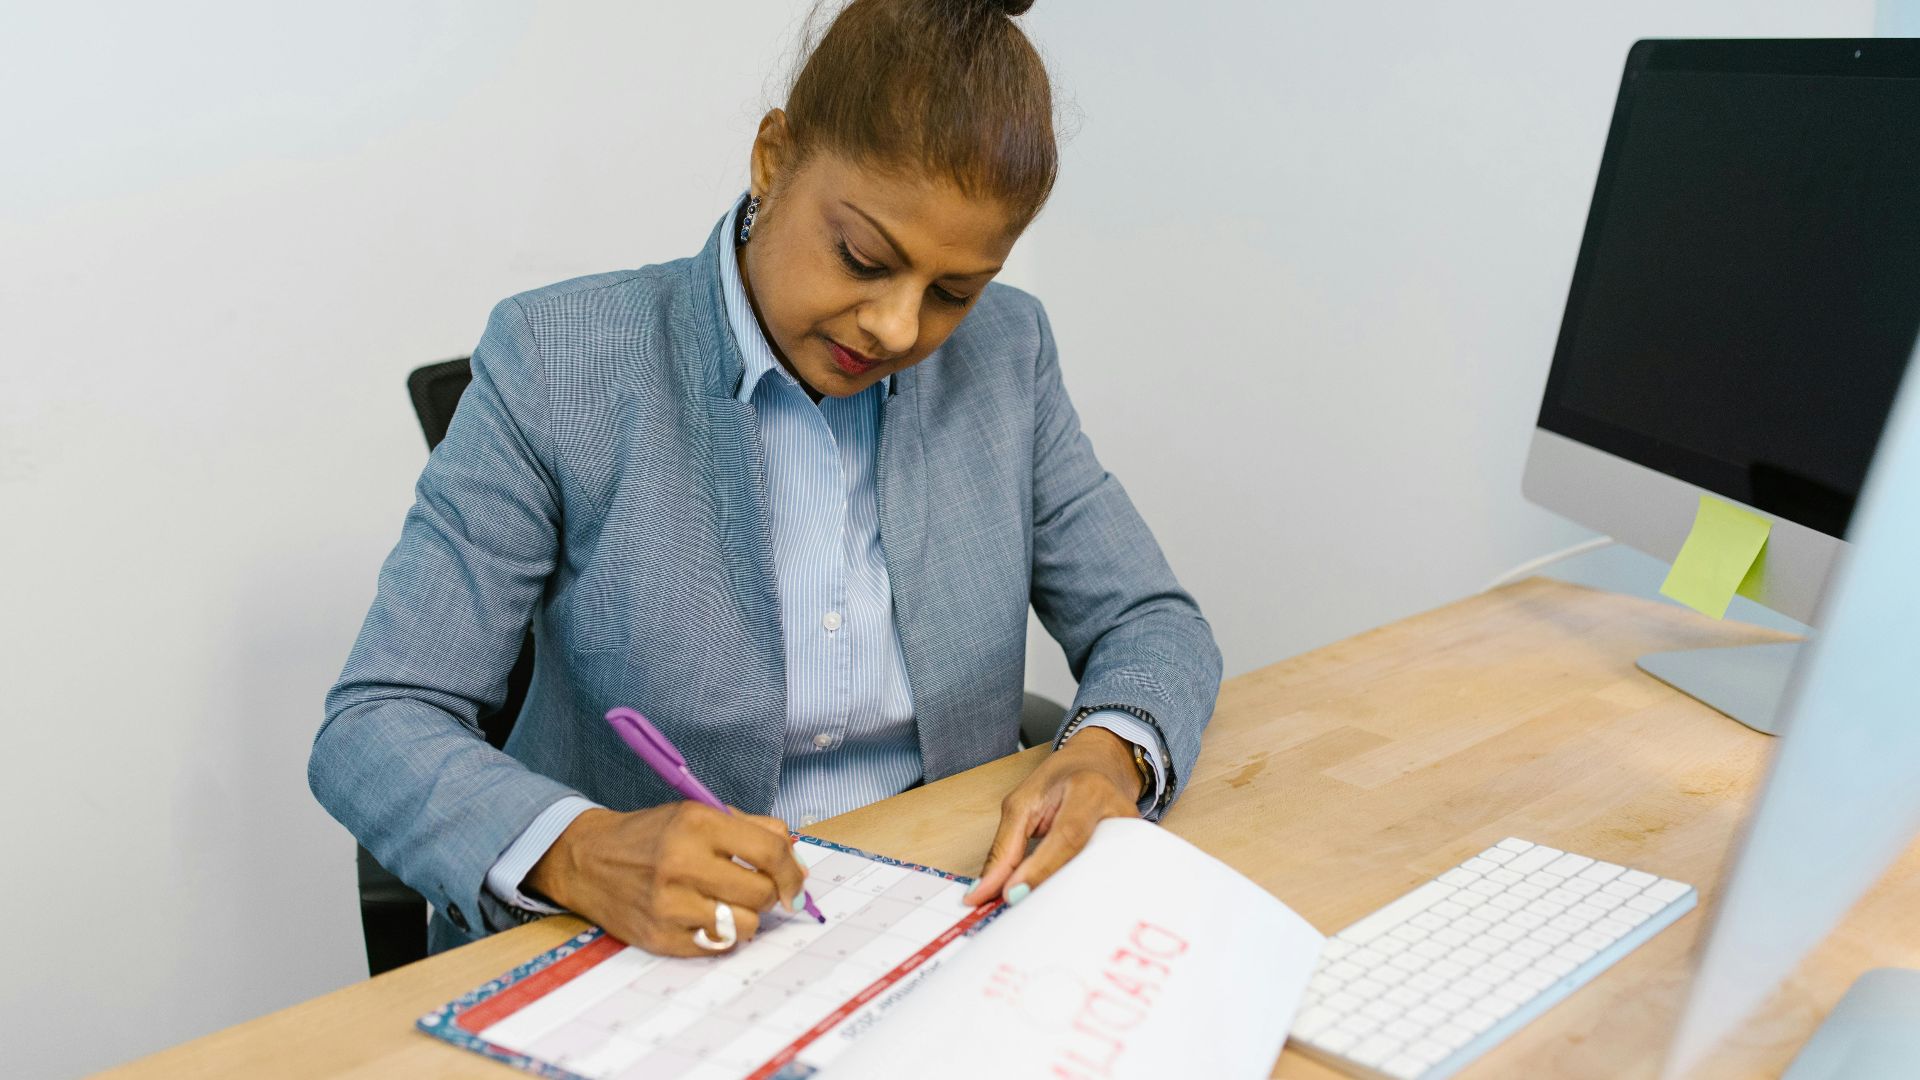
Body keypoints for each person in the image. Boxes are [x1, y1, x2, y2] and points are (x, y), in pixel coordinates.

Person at [310, 0, 1221, 959]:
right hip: (643, 952)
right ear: (773, 158)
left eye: (954, 292)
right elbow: (377, 722)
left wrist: (1106, 753)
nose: (899, 329)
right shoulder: (559, 362)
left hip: (943, 925)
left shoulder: (1006, 354)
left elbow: (1150, 620)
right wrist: (581, 853)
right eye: (864, 259)